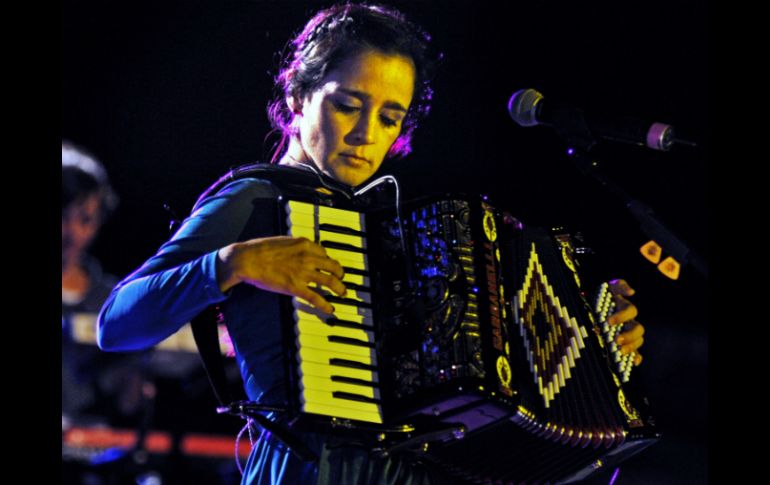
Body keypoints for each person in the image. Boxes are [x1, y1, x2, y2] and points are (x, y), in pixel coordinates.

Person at [97, 3, 645, 484]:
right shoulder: (255, 200)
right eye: (347, 105)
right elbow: (116, 324)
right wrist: (231, 261)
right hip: (314, 469)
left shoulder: (400, 230)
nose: (366, 135)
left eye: (390, 117)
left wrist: (592, 344)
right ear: (298, 95)